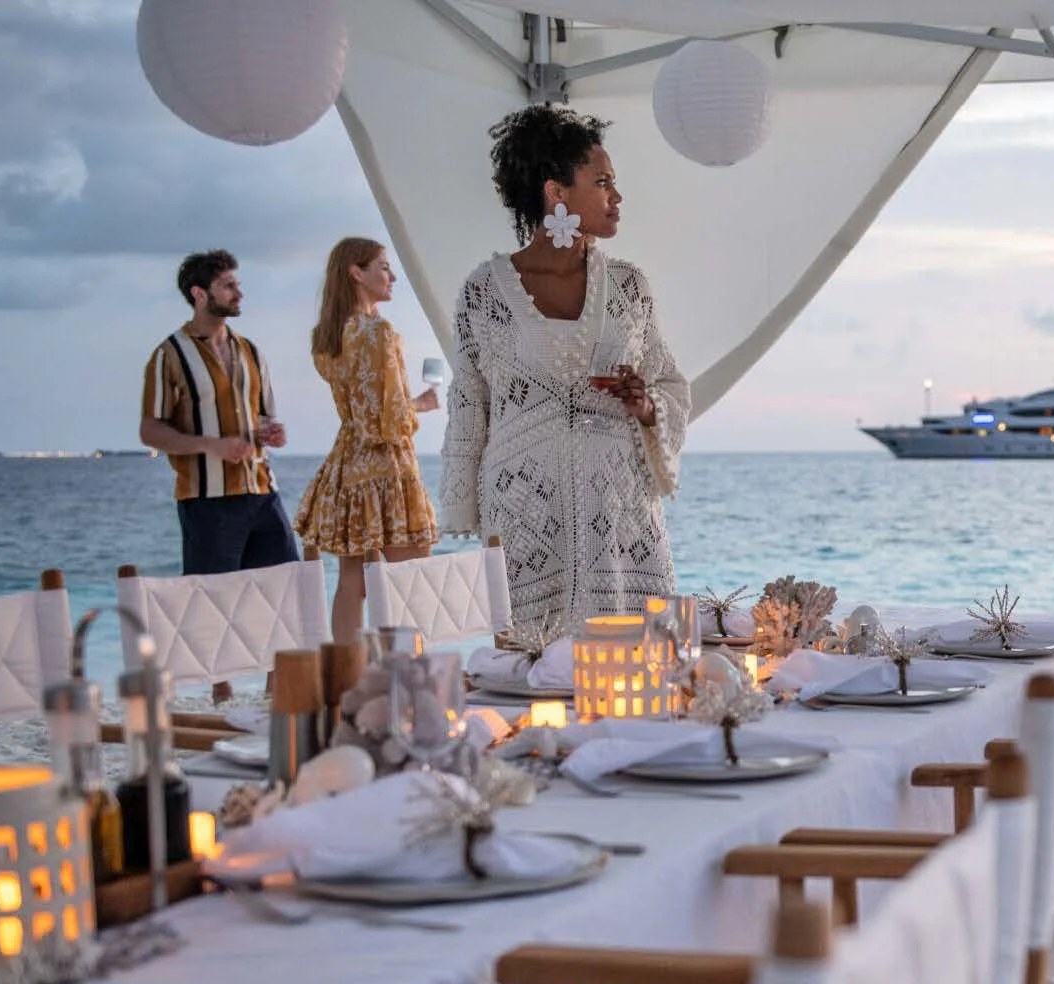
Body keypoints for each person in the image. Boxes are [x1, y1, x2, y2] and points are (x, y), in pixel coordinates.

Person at [439, 106, 690, 636]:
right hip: (524, 512)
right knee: (531, 686)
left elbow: (667, 383)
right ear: (557, 192)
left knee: (638, 667)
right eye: (601, 183)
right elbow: (468, 402)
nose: (616, 197)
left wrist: (644, 403)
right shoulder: (484, 292)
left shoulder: (629, 288)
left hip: (619, 510)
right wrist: (462, 506)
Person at [140, 249, 298, 701]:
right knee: (211, 602)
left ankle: (276, 691)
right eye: (228, 285)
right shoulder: (168, 355)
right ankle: (219, 696)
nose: (238, 291)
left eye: (236, 283)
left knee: (283, 592)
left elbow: (264, 417)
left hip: (262, 490)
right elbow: (150, 428)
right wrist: (211, 446)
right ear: (199, 293)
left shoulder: (251, 351)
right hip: (205, 499)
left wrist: (272, 432)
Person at [293, 237, 441, 644]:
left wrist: (404, 406)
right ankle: (410, 676)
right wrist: (421, 407)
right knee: (411, 579)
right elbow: (391, 421)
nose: (391, 276)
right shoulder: (379, 332)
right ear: (356, 273)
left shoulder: (328, 337)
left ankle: (348, 675)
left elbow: (364, 409)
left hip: (348, 466)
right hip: (387, 467)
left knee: (352, 584)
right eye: (382, 267)